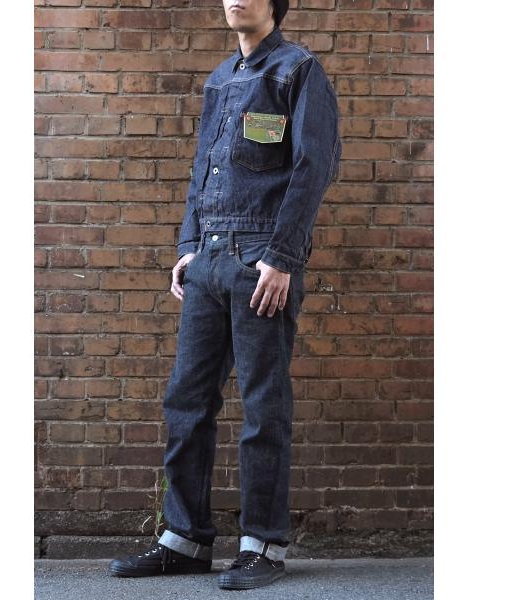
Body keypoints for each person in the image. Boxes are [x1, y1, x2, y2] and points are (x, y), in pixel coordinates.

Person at [109, 0, 342, 590]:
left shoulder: (296, 71)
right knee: (186, 402)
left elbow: (313, 165)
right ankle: (184, 539)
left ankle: (263, 544)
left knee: (263, 406)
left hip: (261, 261)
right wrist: (189, 245)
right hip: (209, 260)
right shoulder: (221, 77)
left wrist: (283, 257)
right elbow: (202, 169)